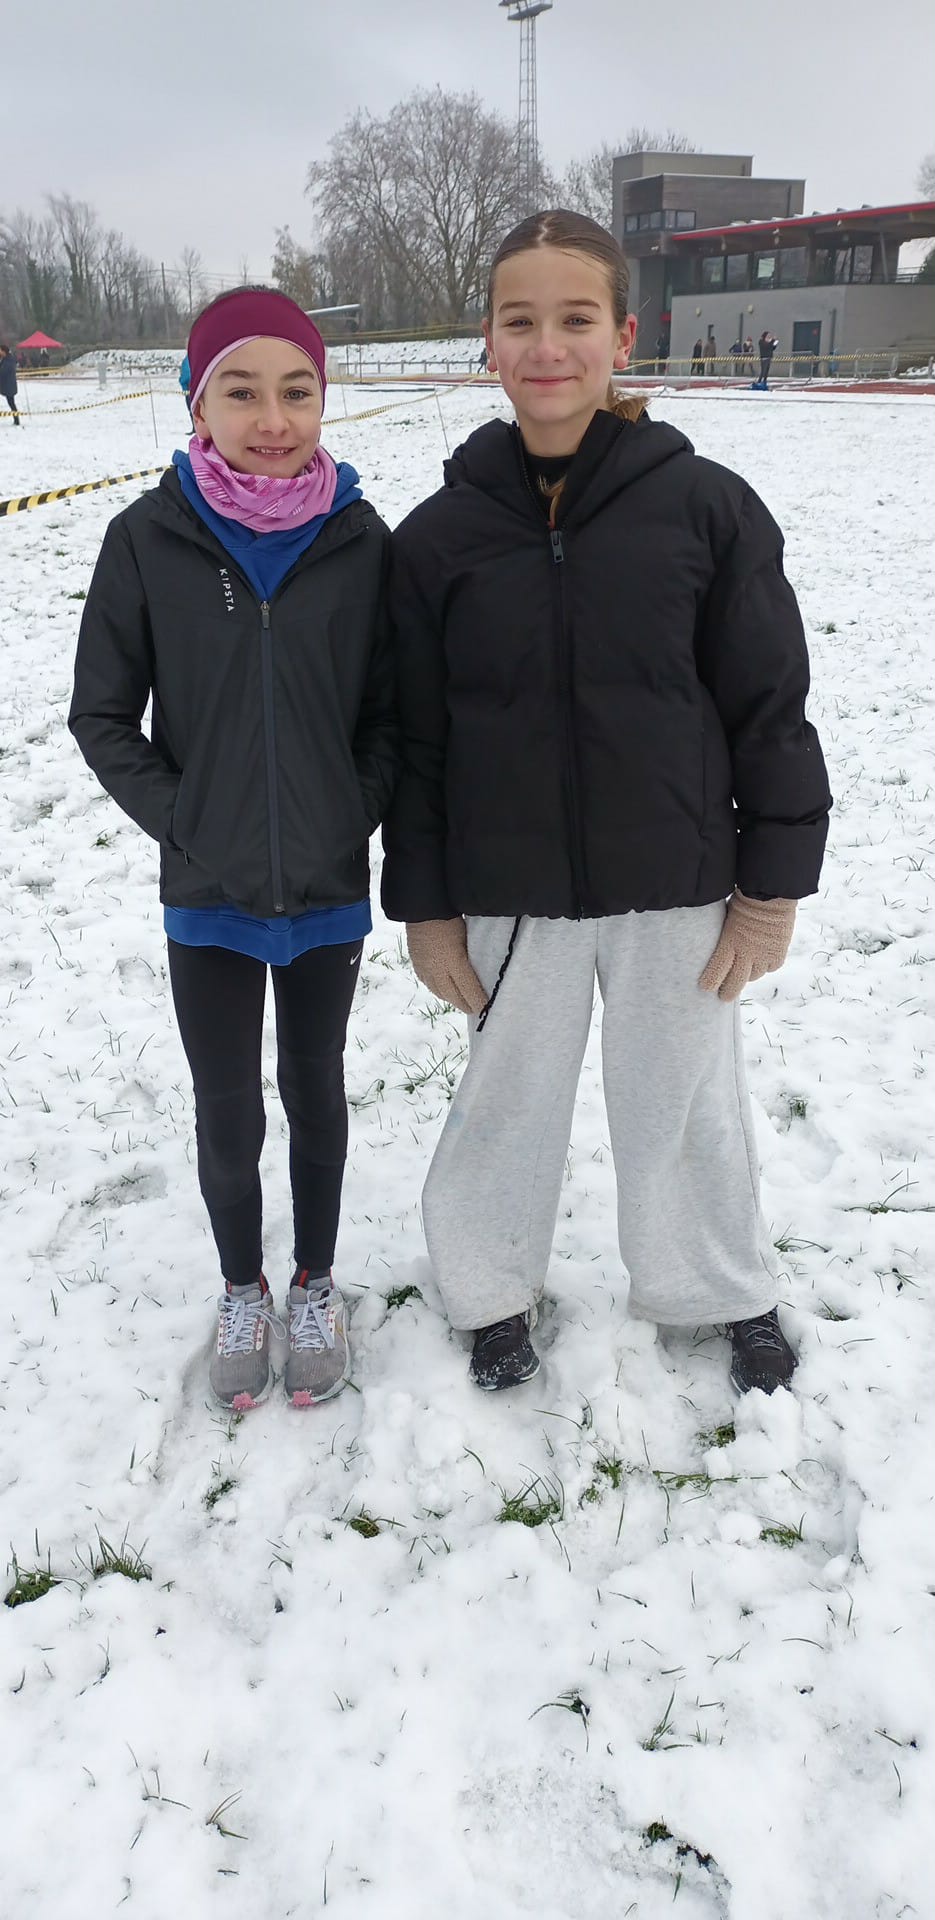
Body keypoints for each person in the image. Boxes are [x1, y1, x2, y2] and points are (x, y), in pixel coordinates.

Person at [382, 209, 831, 1399]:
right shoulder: (435, 542)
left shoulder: (707, 511)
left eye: (574, 318)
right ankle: (488, 1290)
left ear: (622, 336)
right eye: (518, 320)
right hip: (507, 888)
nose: (547, 346)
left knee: (684, 1104)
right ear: (487, 341)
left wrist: (769, 886)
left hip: (674, 882)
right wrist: (426, 909)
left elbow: (768, 708)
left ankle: (714, 1285)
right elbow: (415, 741)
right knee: (505, 1102)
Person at [69, 287, 398, 1412]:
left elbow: (392, 713)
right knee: (228, 1102)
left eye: (297, 392)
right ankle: (241, 1287)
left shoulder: (360, 542)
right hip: (206, 885)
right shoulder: (146, 540)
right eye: (242, 393)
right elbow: (102, 716)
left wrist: (348, 809)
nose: (273, 419)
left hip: (324, 881)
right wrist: (188, 819)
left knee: (314, 1085)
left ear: (323, 401)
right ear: (196, 405)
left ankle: (314, 1283)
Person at [0, 343, 20, 424]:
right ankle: (16, 419)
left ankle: (16, 420)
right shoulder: (5, 359)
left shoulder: (9, 360)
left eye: (0, 350)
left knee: (11, 403)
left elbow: (3, 372)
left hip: (9, 385)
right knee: (11, 403)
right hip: (5, 384)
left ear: (4, 351)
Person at [179, 351, 192, 419]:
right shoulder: (187, 361)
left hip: (189, 391)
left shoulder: (186, 361)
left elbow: (183, 379)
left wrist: (185, 390)